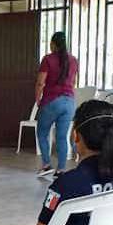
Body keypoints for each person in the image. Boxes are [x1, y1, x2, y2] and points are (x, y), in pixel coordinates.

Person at [35, 31, 79, 177]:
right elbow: (73, 83)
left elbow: (41, 82)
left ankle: (47, 165)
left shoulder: (48, 59)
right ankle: (61, 170)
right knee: (62, 137)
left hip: (52, 101)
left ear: (53, 44)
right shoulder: (73, 60)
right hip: (69, 102)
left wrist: (38, 99)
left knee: (42, 133)